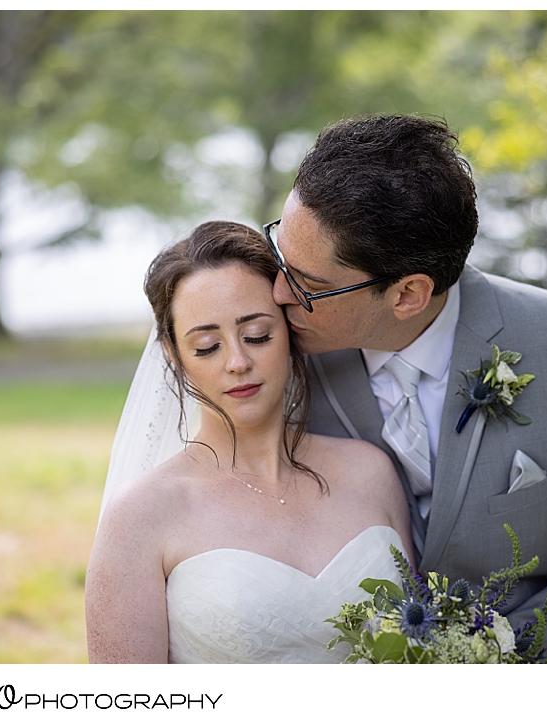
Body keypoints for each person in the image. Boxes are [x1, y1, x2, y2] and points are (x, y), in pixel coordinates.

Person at [264, 114, 547, 664]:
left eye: (306, 285)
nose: (275, 292)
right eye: (279, 255)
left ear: (408, 294)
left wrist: (480, 658)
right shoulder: (268, 355)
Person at [86, 221, 415, 663]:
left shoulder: (370, 472)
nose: (238, 362)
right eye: (207, 346)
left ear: (290, 328)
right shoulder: (142, 515)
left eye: (257, 335)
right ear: (174, 355)